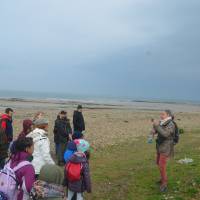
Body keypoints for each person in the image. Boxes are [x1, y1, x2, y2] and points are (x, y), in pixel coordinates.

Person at [152, 110, 176, 192]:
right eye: (161, 114)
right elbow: (159, 131)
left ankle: (164, 184)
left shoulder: (171, 124)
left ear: (168, 115)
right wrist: (154, 130)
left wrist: (157, 126)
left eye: (163, 114)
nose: (161, 115)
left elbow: (165, 134)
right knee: (158, 163)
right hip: (160, 146)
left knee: (162, 165)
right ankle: (162, 179)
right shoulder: (163, 122)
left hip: (166, 147)